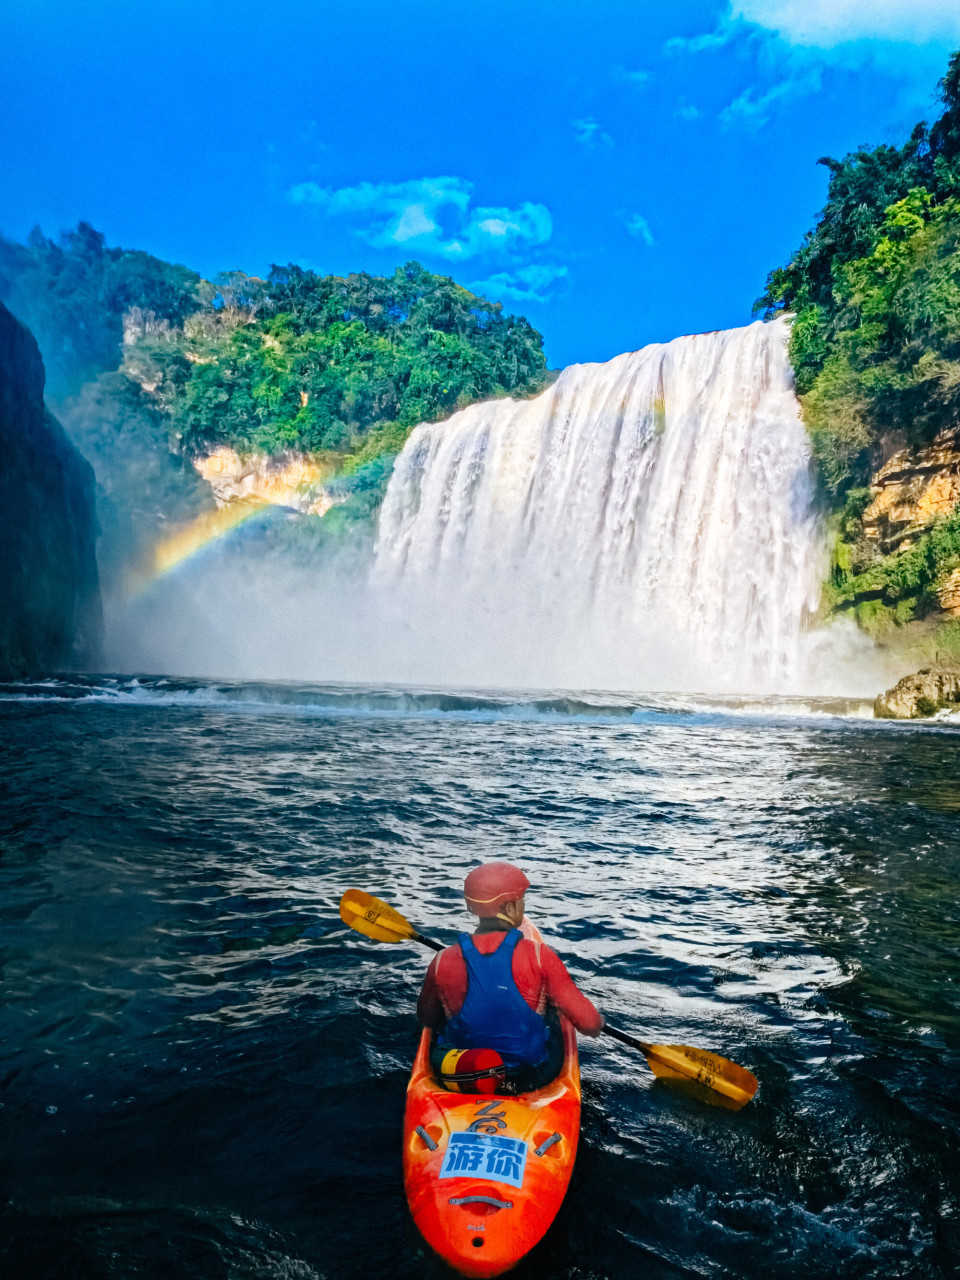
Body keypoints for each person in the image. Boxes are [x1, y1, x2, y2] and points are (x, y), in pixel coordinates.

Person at [417, 861, 604, 1090]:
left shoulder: (442, 960)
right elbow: (590, 1024)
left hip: (466, 1073)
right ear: (508, 908)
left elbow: (427, 1018)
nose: (523, 906)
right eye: (521, 900)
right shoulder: (540, 957)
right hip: (528, 1078)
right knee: (553, 1012)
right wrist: (587, 1018)